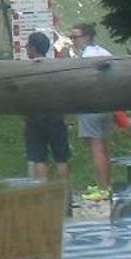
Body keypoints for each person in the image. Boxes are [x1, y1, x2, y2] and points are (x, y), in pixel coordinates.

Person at [68, 21, 115, 197]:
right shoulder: (103, 52)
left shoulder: (86, 57)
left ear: (86, 37)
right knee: (104, 147)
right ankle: (106, 185)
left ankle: (102, 188)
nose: (72, 40)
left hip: (91, 106)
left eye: (75, 37)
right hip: (107, 105)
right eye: (71, 37)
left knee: (96, 148)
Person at [21, 32, 70, 183]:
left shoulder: (25, 69)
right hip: (56, 117)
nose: (26, 48)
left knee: (39, 158)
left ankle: (42, 193)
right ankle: (64, 191)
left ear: (33, 48)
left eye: (28, 46)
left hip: (34, 118)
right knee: (61, 158)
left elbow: (21, 95)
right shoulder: (55, 68)